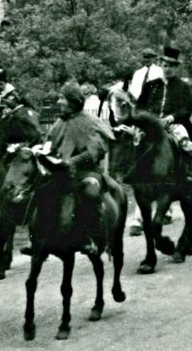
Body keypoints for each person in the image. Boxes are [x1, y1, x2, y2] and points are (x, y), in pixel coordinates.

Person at [33, 82, 121, 255]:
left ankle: (90, 236)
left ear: (73, 101)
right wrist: (42, 152)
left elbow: (96, 150)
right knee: (41, 190)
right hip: (61, 172)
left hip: (86, 172)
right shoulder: (59, 122)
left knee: (90, 191)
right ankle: (39, 237)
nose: (59, 102)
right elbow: (50, 144)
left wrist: (73, 161)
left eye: (62, 98)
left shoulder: (89, 121)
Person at [137, 47, 192, 160]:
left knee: (185, 144)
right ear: (161, 65)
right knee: (133, 142)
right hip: (151, 124)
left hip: (173, 125)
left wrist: (171, 118)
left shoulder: (182, 86)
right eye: (165, 66)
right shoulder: (150, 85)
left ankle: (187, 173)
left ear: (175, 67)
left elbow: (187, 108)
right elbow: (140, 106)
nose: (168, 69)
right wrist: (147, 118)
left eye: (171, 66)